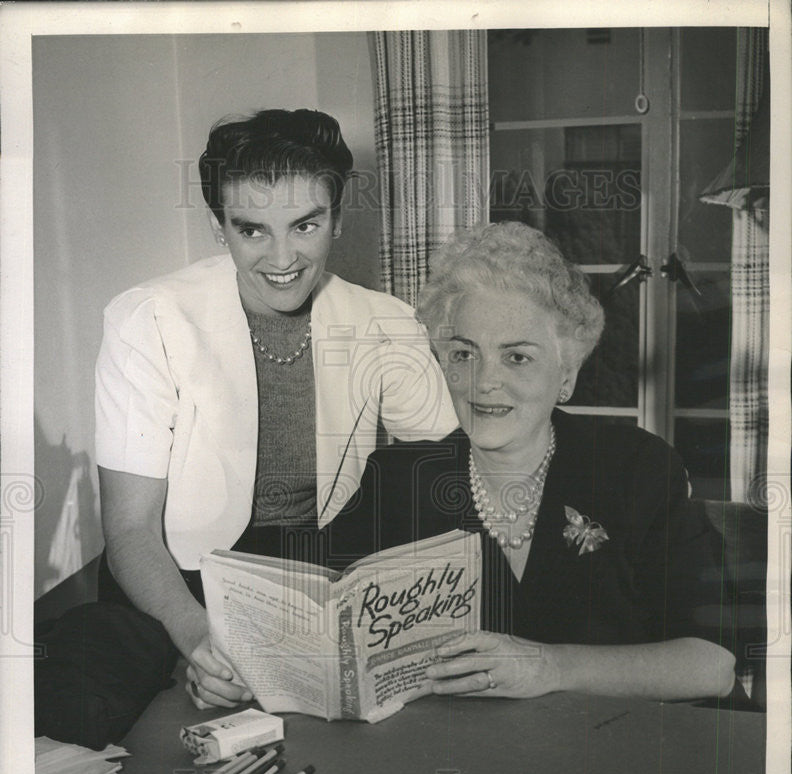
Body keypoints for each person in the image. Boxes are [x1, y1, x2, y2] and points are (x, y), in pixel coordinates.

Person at [94, 108, 457, 713]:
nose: (281, 257)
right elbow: (130, 530)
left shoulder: (386, 322)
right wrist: (197, 637)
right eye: (252, 230)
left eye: (305, 225)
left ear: (338, 220)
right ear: (220, 227)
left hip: (316, 572)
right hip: (180, 581)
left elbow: (444, 489)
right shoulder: (148, 319)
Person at [325, 222, 736, 702]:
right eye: (463, 353)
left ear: (567, 374)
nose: (483, 383)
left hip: (618, 754)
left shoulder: (634, 469)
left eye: (517, 357)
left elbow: (712, 665)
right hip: (459, 762)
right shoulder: (400, 479)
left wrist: (549, 667)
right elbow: (297, 591)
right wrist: (214, 635)